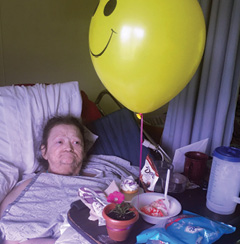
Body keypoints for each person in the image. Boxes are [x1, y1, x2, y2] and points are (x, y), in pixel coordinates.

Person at [0, 116, 86, 244]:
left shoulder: (101, 179)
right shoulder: (29, 185)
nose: (68, 147)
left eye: (76, 142)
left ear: (84, 152)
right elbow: (5, 225)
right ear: (44, 151)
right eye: (59, 142)